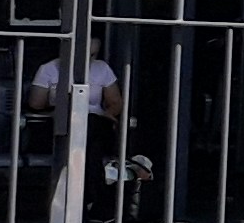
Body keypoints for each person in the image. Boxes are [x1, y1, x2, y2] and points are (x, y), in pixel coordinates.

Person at [32, 49, 155, 214]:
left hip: (94, 122)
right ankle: (93, 201)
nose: (89, 59)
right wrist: (60, 102)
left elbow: (116, 103)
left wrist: (108, 115)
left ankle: (84, 201)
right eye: (85, 54)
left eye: (93, 55)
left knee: (89, 131)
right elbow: (36, 104)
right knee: (91, 152)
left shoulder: (101, 68)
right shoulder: (49, 69)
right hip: (62, 121)